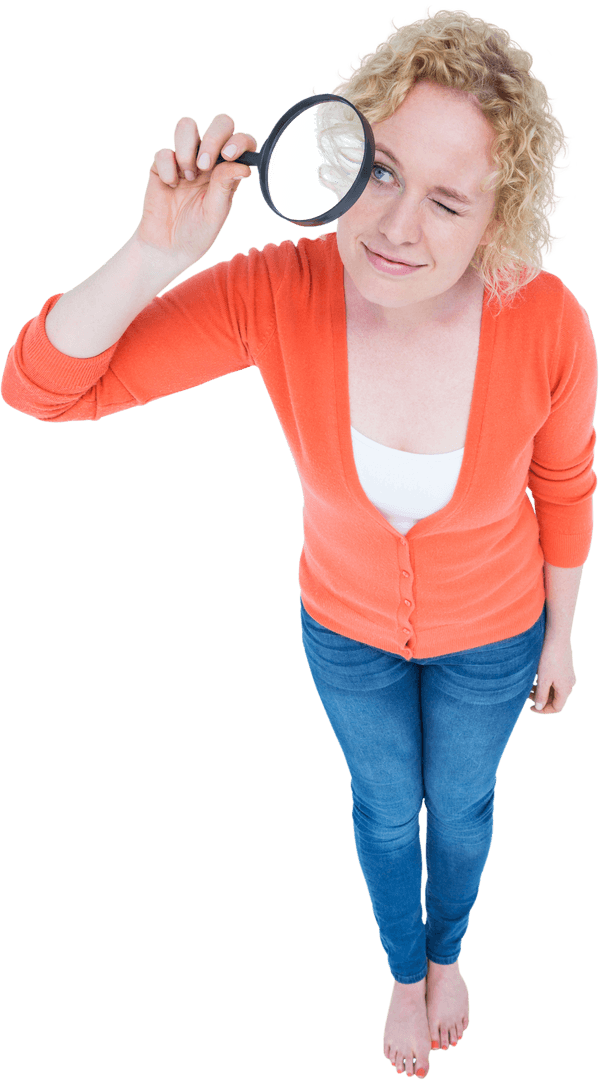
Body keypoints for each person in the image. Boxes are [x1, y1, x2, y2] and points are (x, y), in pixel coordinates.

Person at [2, 7, 597, 1079]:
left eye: (447, 200)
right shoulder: (281, 289)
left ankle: (448, 953)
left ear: (494, 220)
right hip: (344, 630)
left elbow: (563, 482)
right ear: (333, 150)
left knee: (458, 806)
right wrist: (157, 250)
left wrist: (558, 637)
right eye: (376, 172)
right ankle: (401, 975)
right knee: (380, 807)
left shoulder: (546, 320)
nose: (394, 228)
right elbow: (44, 391)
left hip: (496, 636)